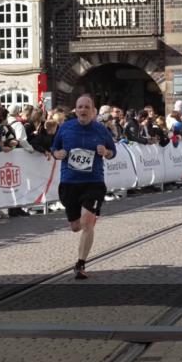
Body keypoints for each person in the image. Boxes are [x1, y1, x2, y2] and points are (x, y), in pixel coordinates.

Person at [50, 94, 116, 280]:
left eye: (87, 107)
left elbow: (113, 153)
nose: (83, 110)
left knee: (87, 222)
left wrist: (106, 152)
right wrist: (58, 154)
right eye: (80, 107)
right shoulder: (65, 128)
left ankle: (80, 264)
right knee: (75, 226)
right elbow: (54, 149)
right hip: (70, 183)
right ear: (75, 110)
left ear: (93, 111)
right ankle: (86, 219)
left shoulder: (101, 130)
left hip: (93, 182)